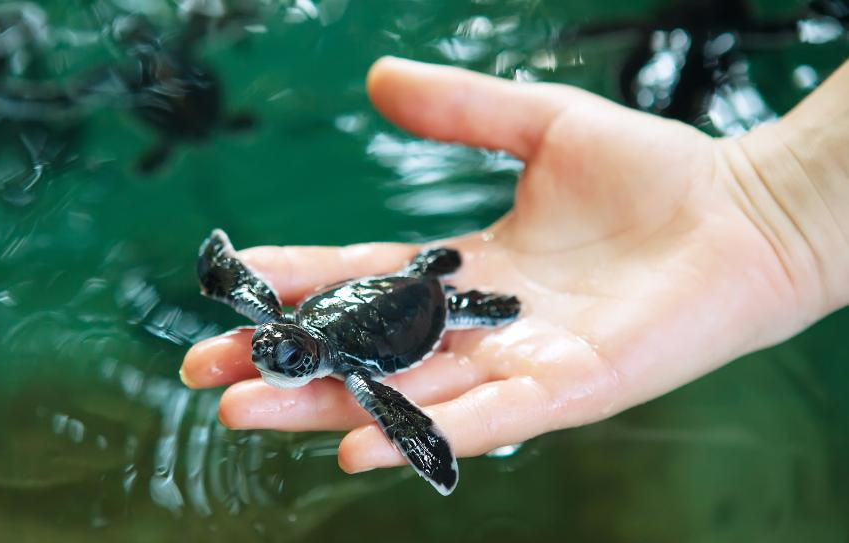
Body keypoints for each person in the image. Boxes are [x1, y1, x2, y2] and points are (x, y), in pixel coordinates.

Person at [180, 56, 849, 476]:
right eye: (275, 352)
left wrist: (426, 446)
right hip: (392, 294)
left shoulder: (357, 374)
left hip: (412, 301)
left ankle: (463, 303)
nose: (271, 356)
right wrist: (784, 209)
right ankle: (450, 292)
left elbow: (397, 413)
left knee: (435, 326)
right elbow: (255, 305)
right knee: (251, 304)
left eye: (280, 358)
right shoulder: (295, 336)